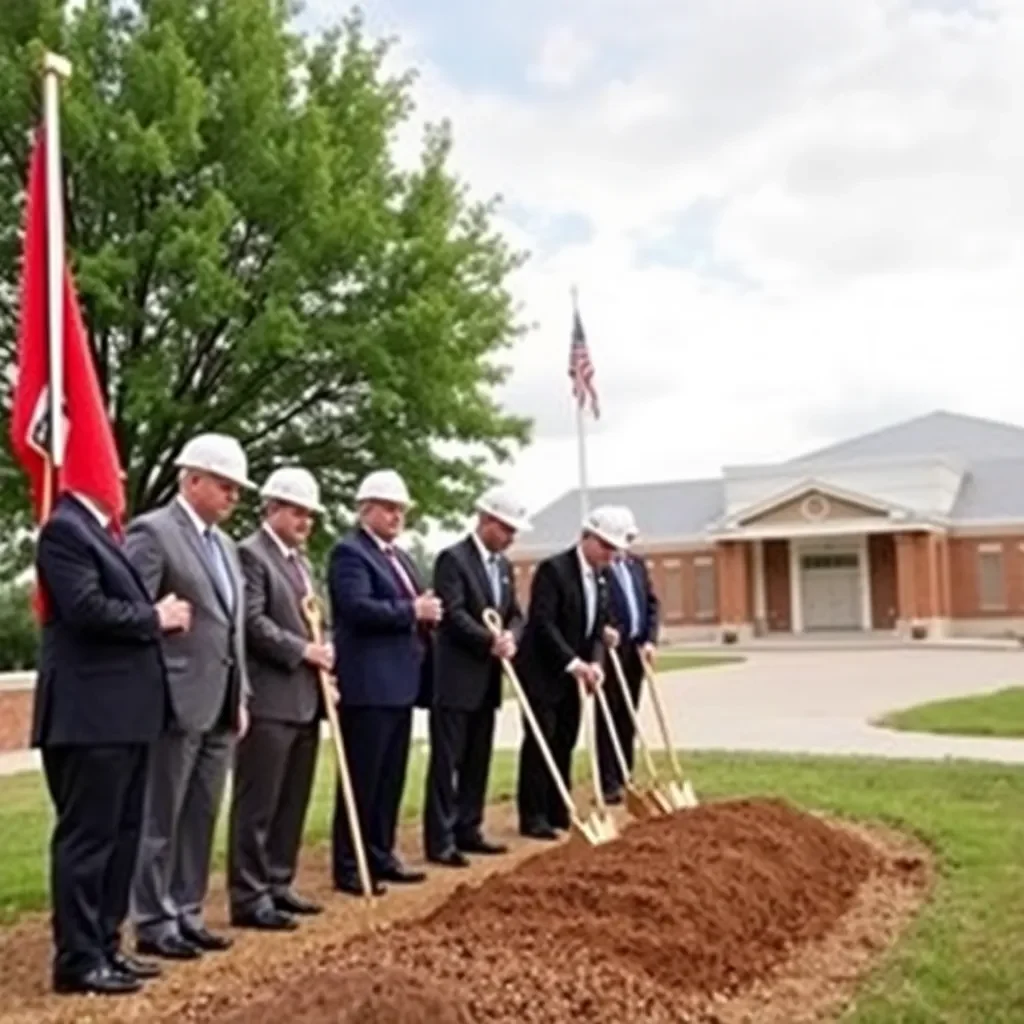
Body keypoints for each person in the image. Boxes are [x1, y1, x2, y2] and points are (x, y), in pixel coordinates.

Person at [32, 491, 191, 995]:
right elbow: (84, 609)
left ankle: (105, 944)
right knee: (88, 839)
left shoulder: (103, 535)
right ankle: (77, 959)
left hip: (124, 717)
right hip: (89, 717)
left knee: (123, 835)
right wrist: (154, 617)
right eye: (106, 462)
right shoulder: (64, 530)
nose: (117, 472)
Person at [127, 433, 252, 959]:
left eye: (238, 489)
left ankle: (187, 909)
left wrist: (240, 693)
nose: (233, 497)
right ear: (192, 478)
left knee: (202, 812)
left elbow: (232, 627)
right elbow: (134, 618)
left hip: (221, 700)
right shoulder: (152, 533)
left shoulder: (225, 546)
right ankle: (153, 920)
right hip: (173, 701)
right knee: (162, 814)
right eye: (225, 485)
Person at [227, 467, 334, 930]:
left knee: (293, 798)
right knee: (259, 802)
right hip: (269, 699)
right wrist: (303, 651)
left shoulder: (302, 563)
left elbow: (315, 622)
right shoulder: (250, 555)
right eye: (295, 511)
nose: (304, 521)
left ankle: (278, 881)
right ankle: (249, 896)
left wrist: (325, 661)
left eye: (308, 514)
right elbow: (251, 622)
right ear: (270, 508)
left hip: (307, 699)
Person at [327, 469, 441, 895]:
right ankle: (350, 863)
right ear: (365, 509)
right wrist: (413, 610)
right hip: (367, 684)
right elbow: (357, 608)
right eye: (390, 508)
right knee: (362, 779)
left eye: (402, 510)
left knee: (391, 777)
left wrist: (424, 613)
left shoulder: (401, 557)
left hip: (401, 683)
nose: (397, 516)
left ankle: (381, 853)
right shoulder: (349, 553)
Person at [423, 486, 530, 866]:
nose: (511, 538)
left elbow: (515, 614)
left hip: (487, 681)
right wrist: (490, 640)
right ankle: (441, 840)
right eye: (506, 529)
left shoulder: (503, 567)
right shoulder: (452, 559)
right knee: (447, 761)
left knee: (478, 758)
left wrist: (511, 639)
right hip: (454, 679)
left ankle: (469, 828)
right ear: (485, 520)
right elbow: (452, 614)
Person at [513, 506, 626, 839]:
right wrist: (572, 662)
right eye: (605, 546)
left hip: (574, 676)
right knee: (541, 743)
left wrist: (595, 662)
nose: (610, 554)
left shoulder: (602, 577)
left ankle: (557, 808)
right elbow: (543, 624)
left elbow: (595, 627)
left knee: (565, 740)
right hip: (542, 672)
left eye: (614, 548)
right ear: (586, 537)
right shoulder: (554, 570)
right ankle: (533, 815)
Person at [596, 508, 660, 804]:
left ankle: (625, 773)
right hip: (611, 652)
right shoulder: (600, 569)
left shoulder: (637, 565)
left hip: (636, 650)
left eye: (631, 538)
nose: (627, 543)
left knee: (628, 715)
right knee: (609, 714)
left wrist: (650, 640)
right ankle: (609, 781)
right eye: (625, 537)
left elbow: (651, 604)